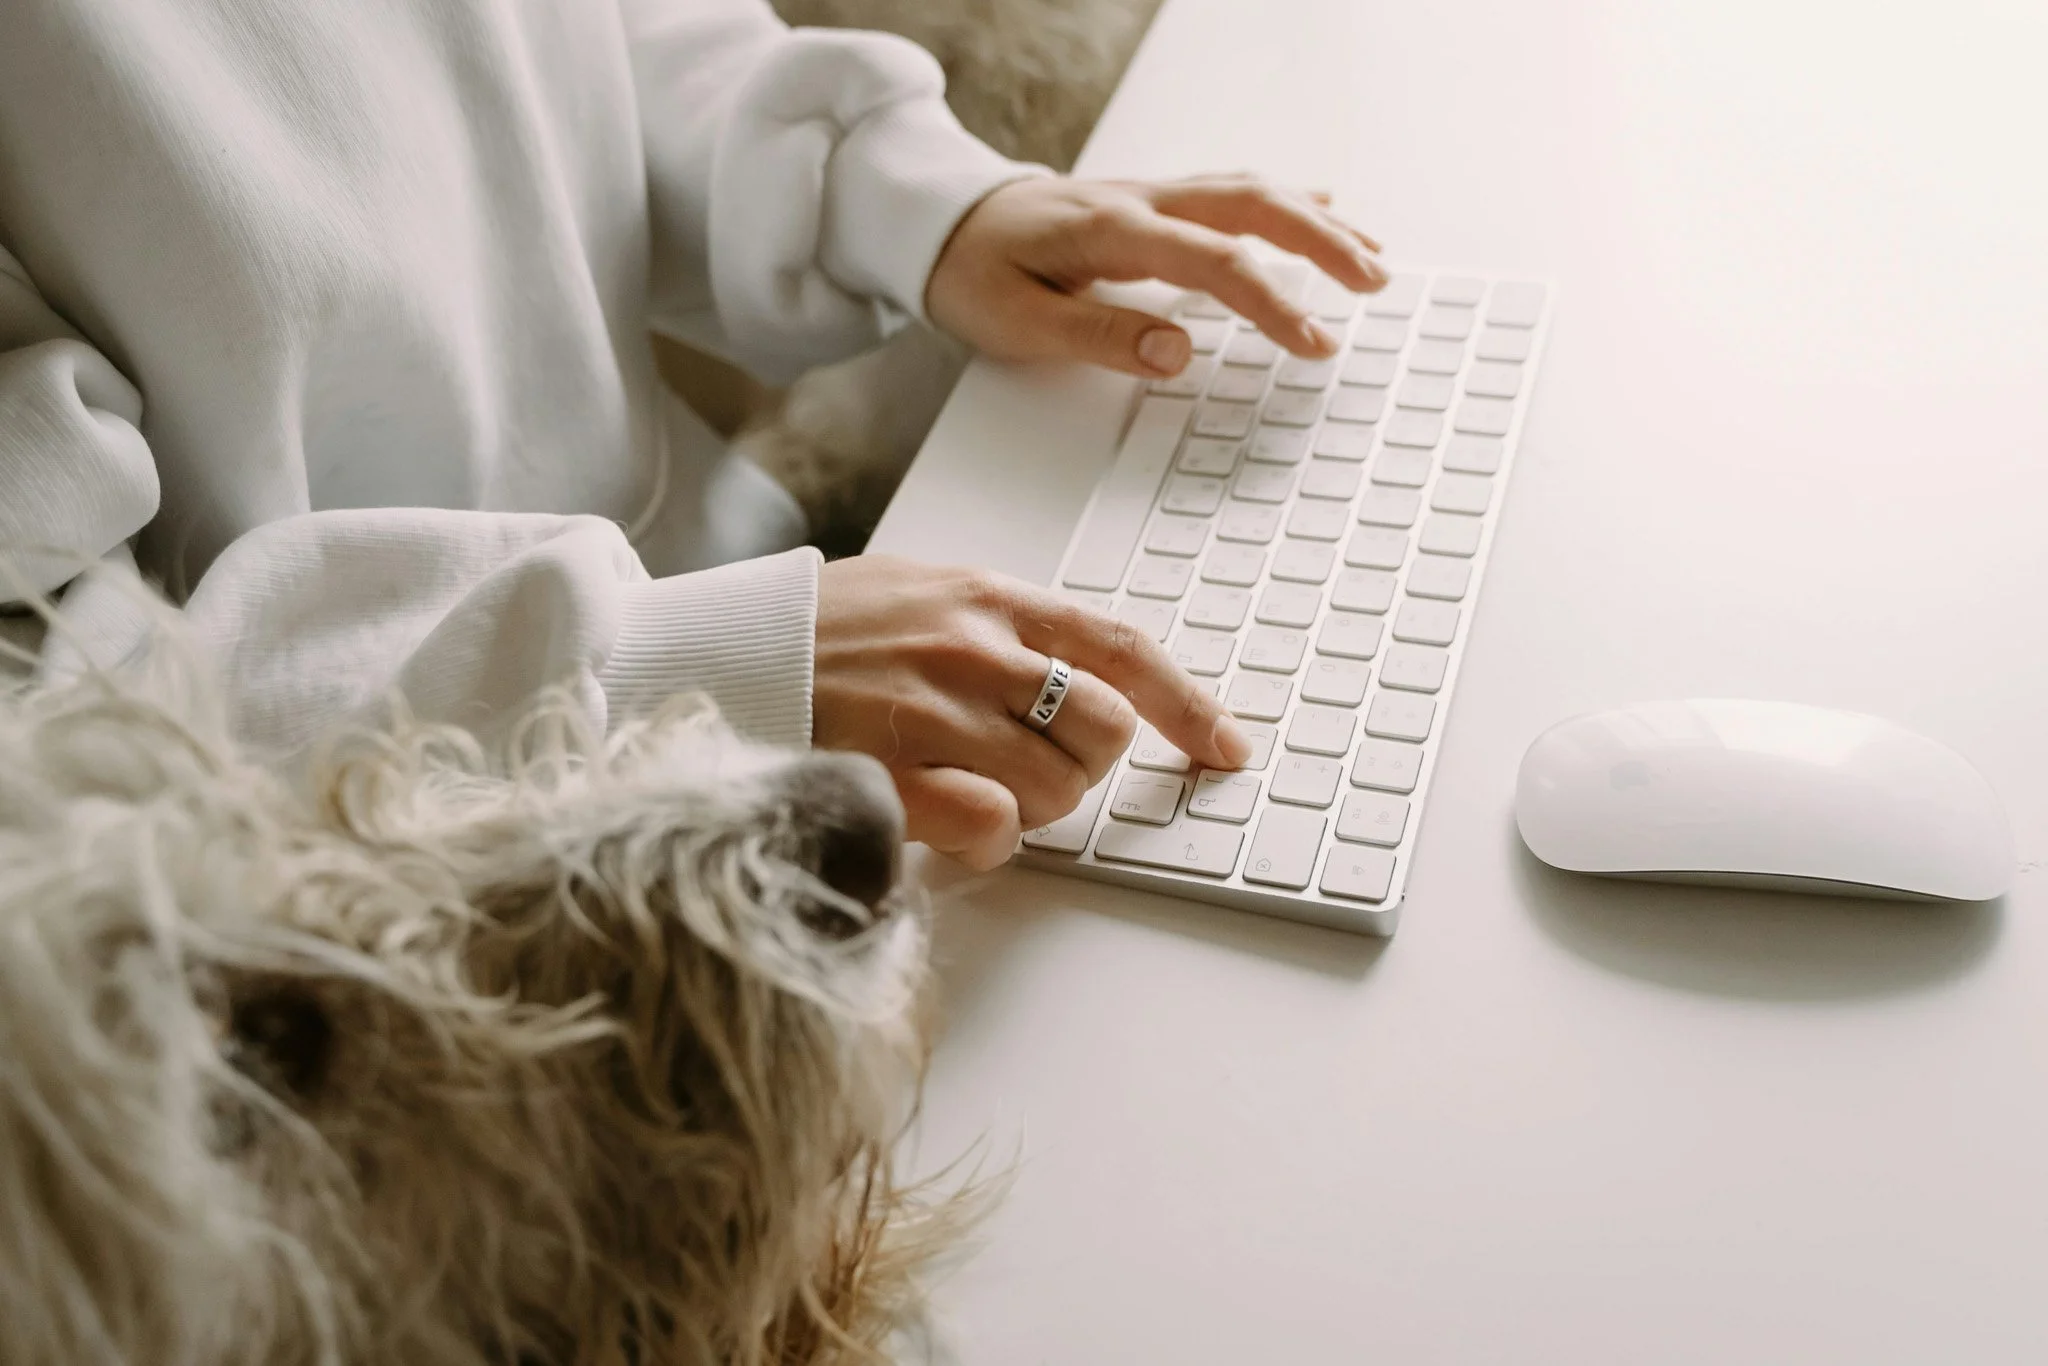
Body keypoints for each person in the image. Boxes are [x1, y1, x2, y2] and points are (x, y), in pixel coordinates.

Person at [0, 0, 1384, 871]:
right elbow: (39, 703)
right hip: (387, 906)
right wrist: (649, 669)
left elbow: (572, 45)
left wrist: (911, 202)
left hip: (788, 613)